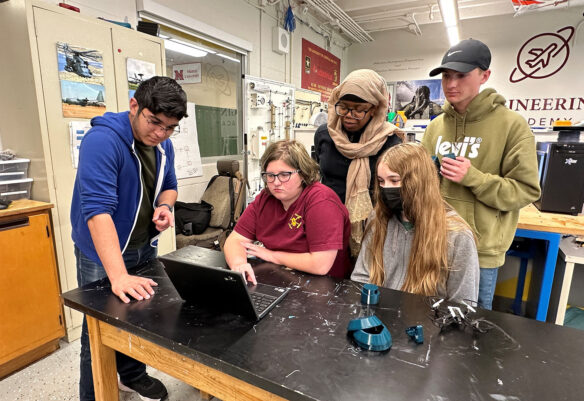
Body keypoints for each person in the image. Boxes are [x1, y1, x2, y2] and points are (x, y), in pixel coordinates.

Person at [70, 76, 187, 401]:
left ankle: (132, 376)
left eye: (170, 128)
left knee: (138, 318)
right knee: (99, 329)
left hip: (143, 246)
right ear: (135, 105)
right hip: (102, 253)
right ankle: (93, 395)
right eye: (154, 122)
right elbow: (97, 211)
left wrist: (164, 206)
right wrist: (118, 275)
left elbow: (170, 185)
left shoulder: (163, 145)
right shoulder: (102, 141)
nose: (160, 133)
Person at [421, 39, 541, 309]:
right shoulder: (435, 127)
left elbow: (526, 190)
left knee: (469, 325)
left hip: (479, 252)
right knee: (427, 318)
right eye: (446, 76)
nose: (451, 84)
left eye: (461, 75)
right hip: (433, 243)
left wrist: (473, 178)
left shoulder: (512, 125)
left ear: (484, 76)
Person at [351, 143, 479, 302]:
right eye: (381, 181)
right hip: (379, 312)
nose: (385, 188)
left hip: (428, 315)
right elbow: (361, 277)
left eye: (394, 180)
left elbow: (463, 303)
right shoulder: (378, 219)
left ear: (418, 182)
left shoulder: (457, 235)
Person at [224, 140, 351, 284]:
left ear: (303, 174)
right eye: (270, 175)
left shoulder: (321, 201)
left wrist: (272, 255)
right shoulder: (265, 199)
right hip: (279, 277)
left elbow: (320, 265)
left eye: (284, 175)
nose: (276, 182)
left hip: (323, 285)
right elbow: (235, 240)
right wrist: (239, 264)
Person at [314, 69, 403, 255]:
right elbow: (319, 178)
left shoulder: (389, 141)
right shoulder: (325, 135)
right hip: (329, 222)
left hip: (373, 226)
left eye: (359, 110)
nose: (348, 115)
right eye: (343, 107)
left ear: (374, 109)